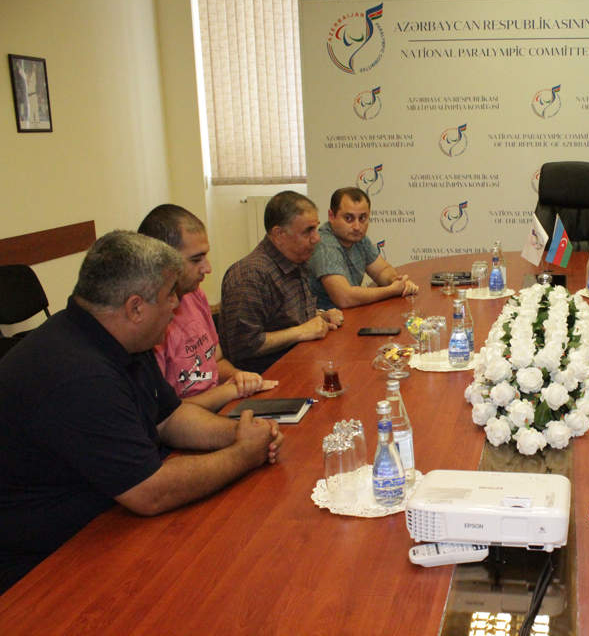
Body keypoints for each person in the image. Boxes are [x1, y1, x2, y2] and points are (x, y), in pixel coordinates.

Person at [0, 231, 283, 594]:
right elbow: (150, 492)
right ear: (135, 308)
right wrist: (243, 454)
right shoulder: (78, 374)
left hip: (110, 519)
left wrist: (240, 432)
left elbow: (170, 417)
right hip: (44, 567)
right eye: (169, 297)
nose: (176, 306)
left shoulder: (122, 340)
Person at [138, 204, 278, 411]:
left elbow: (215, 362)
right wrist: (229, 391)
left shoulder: (194, 294)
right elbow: (165, 415)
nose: (208, 268)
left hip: (220, 405)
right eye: (196, 259)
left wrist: (237, 377)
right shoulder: (149, 321)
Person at [220, 191, 344, 373]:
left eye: (316, 228)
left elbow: (284, 318)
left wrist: (320, 315)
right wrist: (301, 331)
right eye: (308, 231)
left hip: (301, 363)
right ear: (279, 234)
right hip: (267, 377)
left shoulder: (296, 259)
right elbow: (243, 346)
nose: (317, 238)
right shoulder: (249, 276)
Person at [307, 187, 418, 309]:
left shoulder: (359, 239)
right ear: (331, 216)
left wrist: (396, 281)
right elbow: (344, 298)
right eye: (348, 218)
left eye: (362, 218)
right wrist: (392, 290)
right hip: (327, 317)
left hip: (351, 312)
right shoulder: (324, 244)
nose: (357, 227)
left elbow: (381, 271)